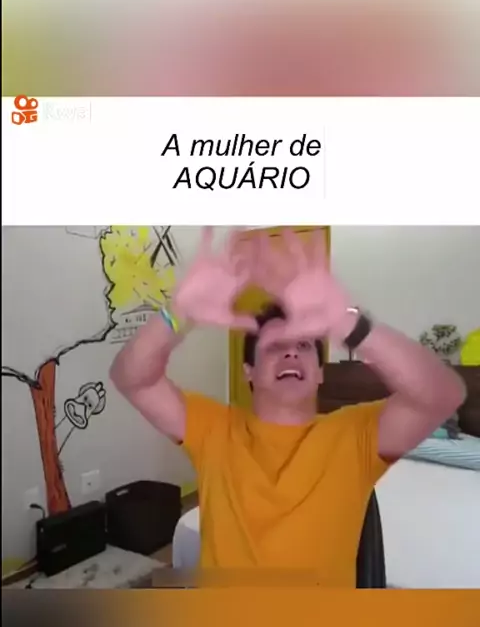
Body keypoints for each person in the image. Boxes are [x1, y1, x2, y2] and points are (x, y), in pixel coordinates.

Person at [110, 228, 466, 585]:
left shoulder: (356, 434)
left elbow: (443, 395)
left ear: (320, 373)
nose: (291, 352)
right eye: (275, 346)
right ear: (249, 371)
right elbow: (132, 378)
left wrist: (348, 322)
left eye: (304, 345)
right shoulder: (213, 428)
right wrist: (178, 311)